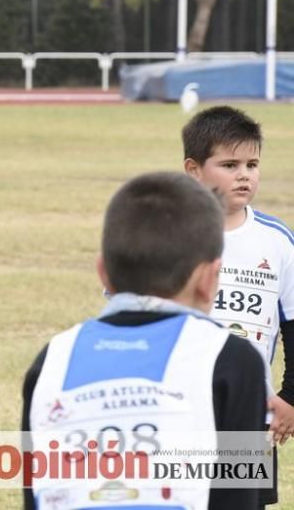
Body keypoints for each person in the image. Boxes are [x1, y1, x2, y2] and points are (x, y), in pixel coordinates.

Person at [23, 172, 267, 509]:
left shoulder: (52, 358)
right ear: (210, 279)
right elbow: (238, 498)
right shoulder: (231, 359)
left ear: (103, 272)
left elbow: (36, 492)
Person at [183, 105, 294, 506]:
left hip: (249, 415)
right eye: (229, 164)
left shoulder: (277, 240)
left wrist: (291, 397)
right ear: (193, 169)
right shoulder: (170, 233)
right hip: (177, 411)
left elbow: (293, 326)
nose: (244, 174)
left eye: (252, 163)